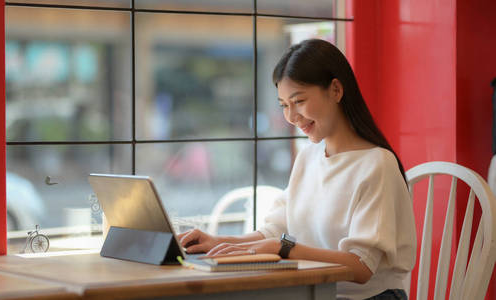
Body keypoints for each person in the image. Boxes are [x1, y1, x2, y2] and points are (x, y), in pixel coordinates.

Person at [178, 39, 416, 300]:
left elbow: (361, 267)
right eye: (284, 105)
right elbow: (275, 230)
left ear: (336, 90)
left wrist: (284, 248)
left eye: (299, 101)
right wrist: (217, 241)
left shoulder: (376, 164)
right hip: (313, 291)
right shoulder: (308, 157)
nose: (291, 116)